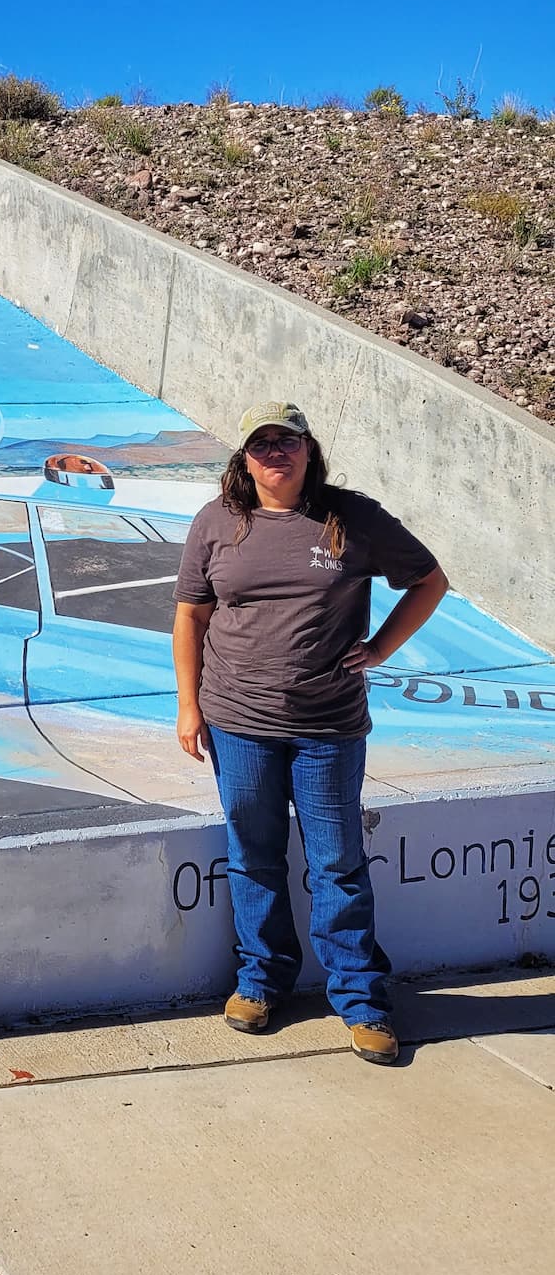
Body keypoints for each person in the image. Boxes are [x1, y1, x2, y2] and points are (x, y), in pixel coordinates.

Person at [171, 400, 449, 1064]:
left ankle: (360, 999)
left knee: (337, 865)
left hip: (327, 726)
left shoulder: (351, 518)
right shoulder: (218, 522)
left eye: (287, 442)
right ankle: (261, 980)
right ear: (243, 457)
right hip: (238, 721)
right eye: (262, 444)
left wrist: (380, 648)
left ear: (308, 449)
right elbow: (190, 618)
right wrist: (189, 707)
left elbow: (430, 581)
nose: (276, 454)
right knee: (254, 855)